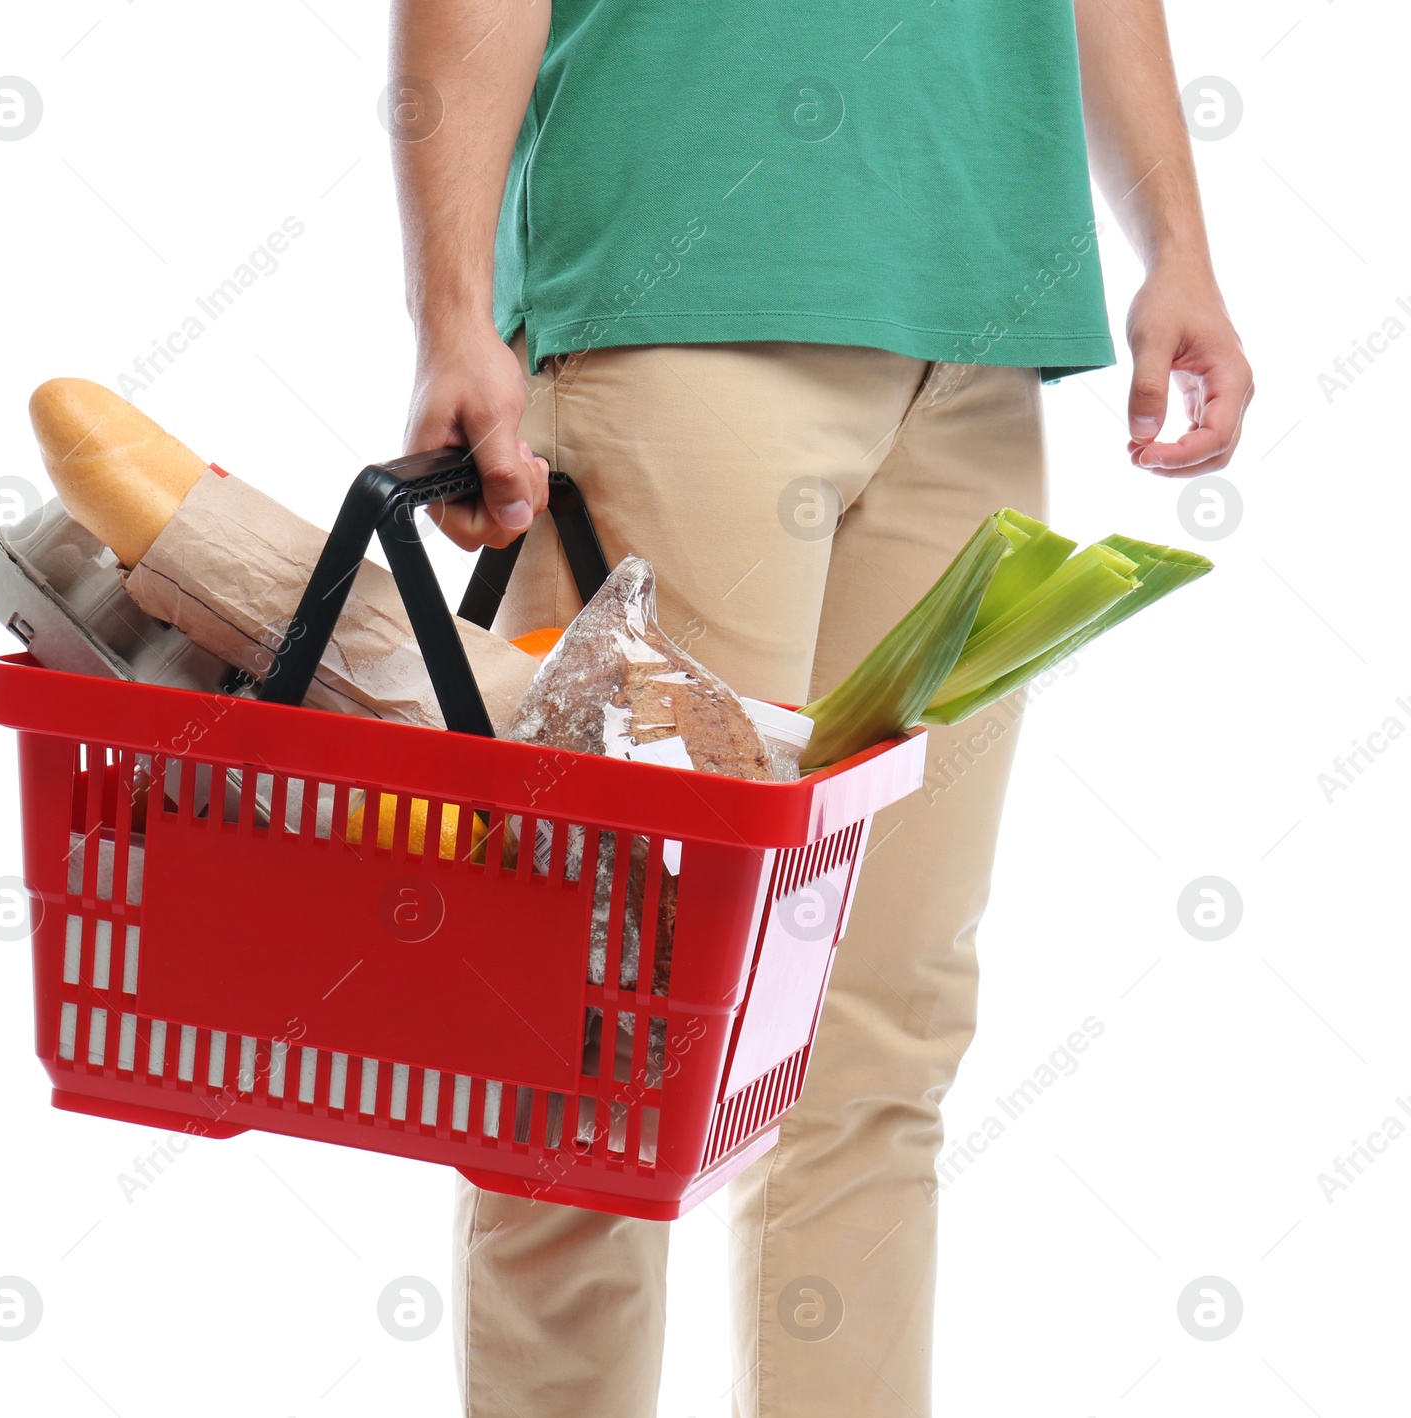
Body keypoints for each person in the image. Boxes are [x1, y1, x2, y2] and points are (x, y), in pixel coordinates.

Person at [387, 2, 1253, 1414]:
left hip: (978, 332)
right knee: (610, 1039)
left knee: (880, 1036)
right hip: (681, 321)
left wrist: (1182, 248)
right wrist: (450, 315)